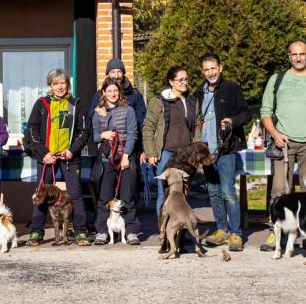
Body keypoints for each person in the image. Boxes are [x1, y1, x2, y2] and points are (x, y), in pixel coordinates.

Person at [259, 41, 306, 251]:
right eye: (294, 54)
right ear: (289, 56)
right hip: (282, 143)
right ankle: (276, 234)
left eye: (302, 54)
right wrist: (274, 134)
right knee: (278, 191)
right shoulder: (277, 80)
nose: (298, 58)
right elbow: (265, 111)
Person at [24, 68, 92, 246]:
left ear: (68, 84)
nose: (60, 87)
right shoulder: (41, 104)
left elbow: (84, 131)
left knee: (76, 194)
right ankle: (36, 232)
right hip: (47, 157)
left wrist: (72, 150)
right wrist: (43, 153)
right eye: (55, 84)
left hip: (70, 157)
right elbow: (32, 130)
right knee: (41, 194)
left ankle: (80, 232)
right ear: (50, 86)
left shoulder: (76, 104)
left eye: (63, 83)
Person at [193, 54, 252, 251]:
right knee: (213, 191)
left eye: (213, 68)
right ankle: (221, 229)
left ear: (220, 68)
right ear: (202, 72)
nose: (210, 72)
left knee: (227, 192)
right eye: (206, 69)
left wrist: (232, 121)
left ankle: (236, 233)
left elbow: (246, 113)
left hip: (226, 149)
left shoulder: (231, 88)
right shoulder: (198, 93)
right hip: (206, 151)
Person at [142, 66, 199, 220]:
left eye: (186, 79)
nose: (185, 82)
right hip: (166, 152)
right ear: (171, 82)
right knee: (164, 192)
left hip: (186, 154)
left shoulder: (191, 101)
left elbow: (196, 128)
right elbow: (148, 127)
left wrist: (196, 151)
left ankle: (180, 229)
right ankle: (163, 229)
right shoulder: (158, 101)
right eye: (181, 80)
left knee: (183, 192)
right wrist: (151, 152)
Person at [91, 77, 141, 245]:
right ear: (104, 93)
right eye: (109, 91)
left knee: (128, 195)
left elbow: (133, 134)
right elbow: (94, 136)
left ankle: (131, 231)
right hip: (107, 158)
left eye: (115, 90)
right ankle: (102, 231)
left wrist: (126, 156)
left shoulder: (128, 110)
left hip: (126, 156)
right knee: (104, 197)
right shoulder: (98, 113)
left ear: (120, 92)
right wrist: (103, 135)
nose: (112, 94)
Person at [87, 58, 147, 130]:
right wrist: (96, 110)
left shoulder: (134, 95)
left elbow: (142, 121)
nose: (116, 76)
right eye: (113, 72)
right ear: (108, 74)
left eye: (119, 72)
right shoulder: (100, 94)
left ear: (123, 73)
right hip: (106, 135)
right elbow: (90, 115)